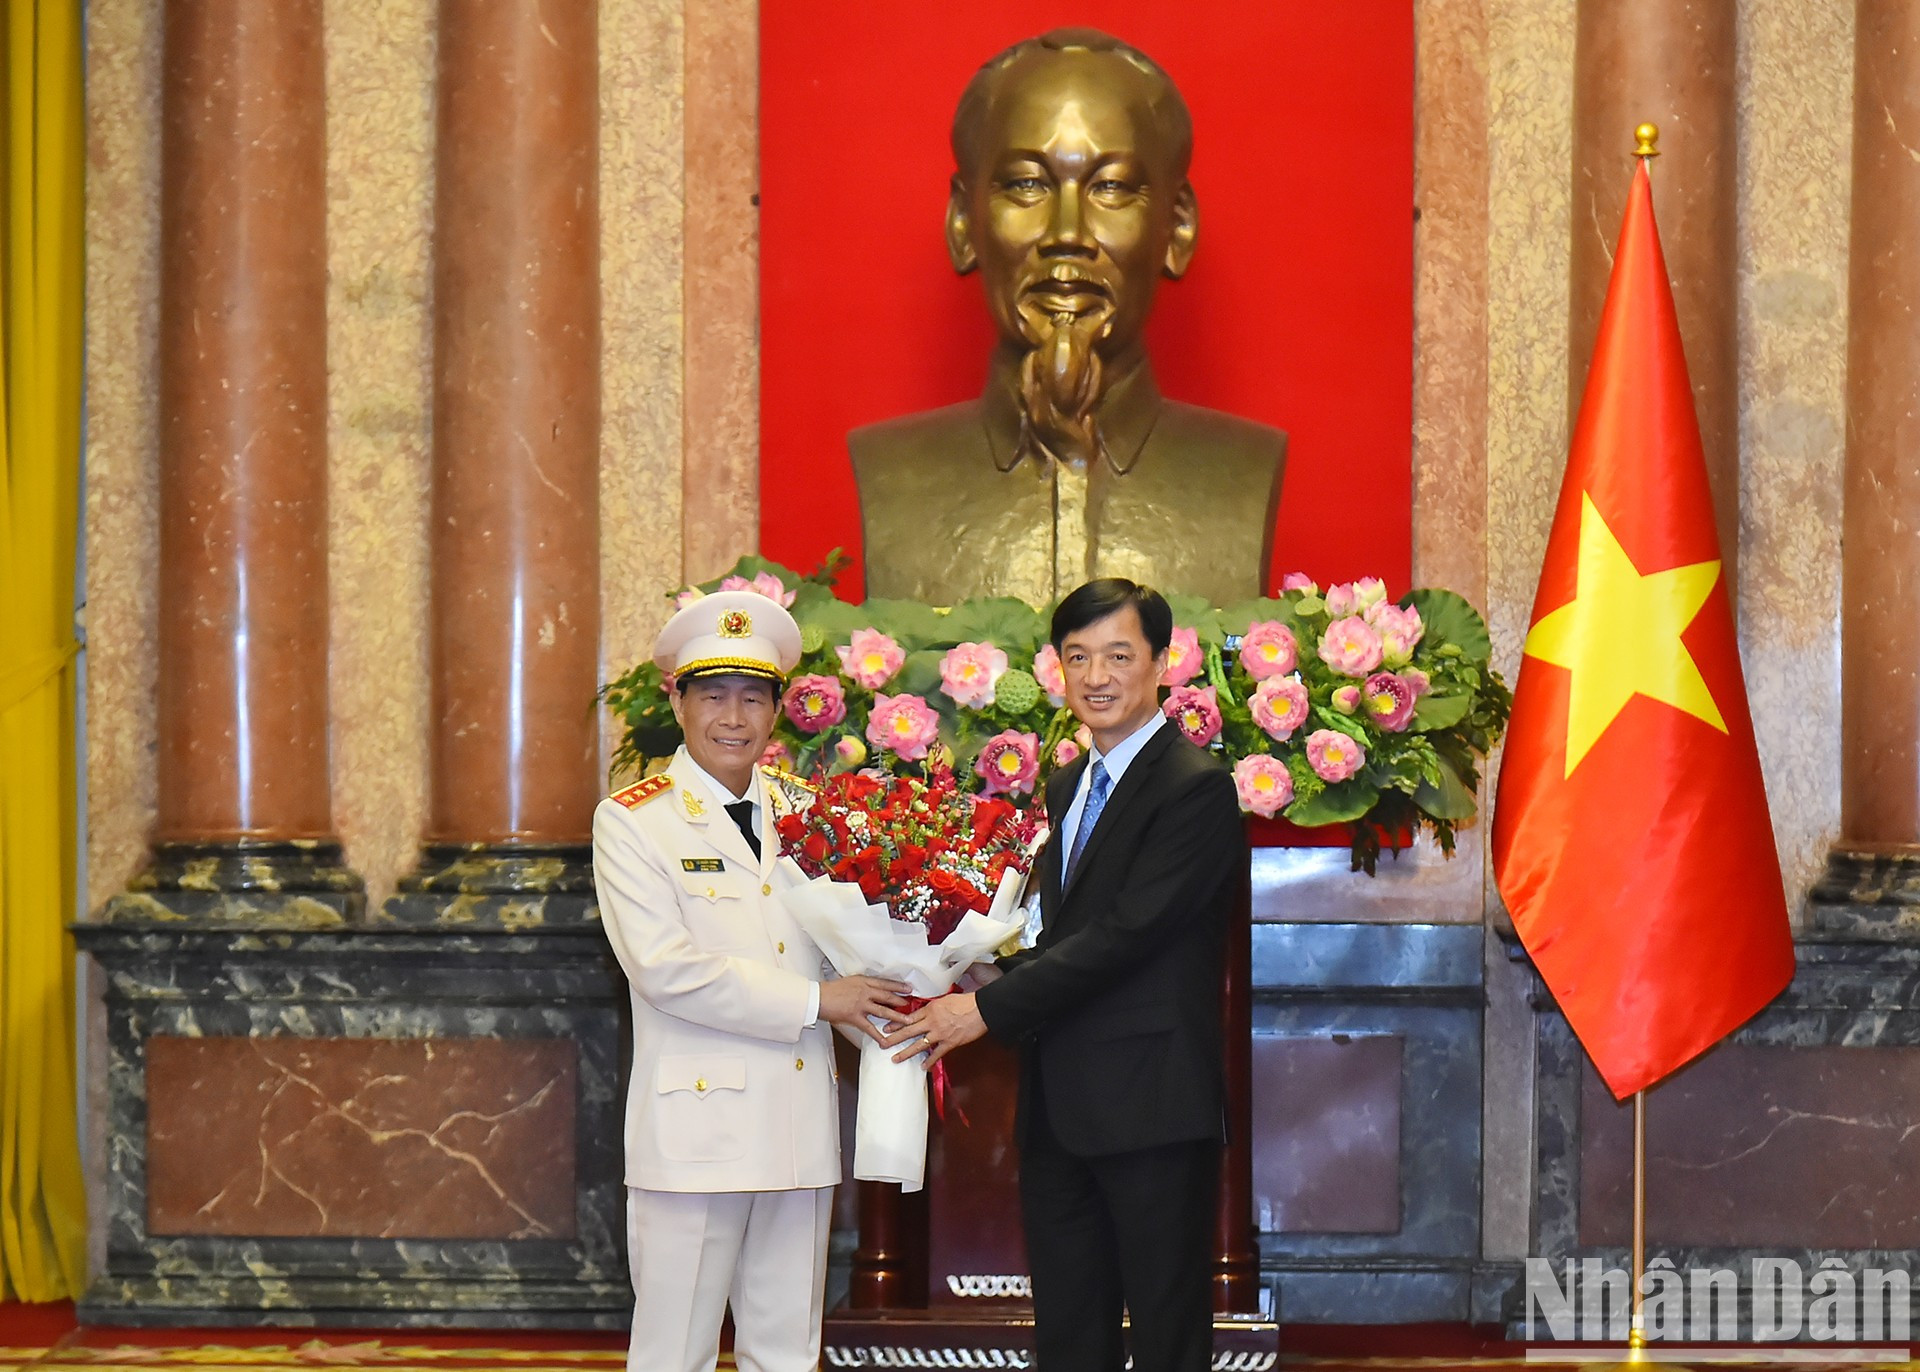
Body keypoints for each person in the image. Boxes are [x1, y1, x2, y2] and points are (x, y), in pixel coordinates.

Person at [885, 578, 1246, 1372]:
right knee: (1070, 1338)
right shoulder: (1067, 784)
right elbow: (1070, 931)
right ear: (1057, 668)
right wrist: (983, 972)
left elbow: (1130, 935)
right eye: (1078, 657)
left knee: (1164, 1337)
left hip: (1152, 1108)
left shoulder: (1196, 788)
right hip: (1061, 1109)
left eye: (1119, 655)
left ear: (1162, 662)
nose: (1097, 676)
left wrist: (987, 1013)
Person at [851, 29, 1284, 607]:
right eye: (1028, 185)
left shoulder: (1244, 471)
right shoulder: (893, 473)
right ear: (963, 223)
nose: (1067, 235)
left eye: (1111, 187)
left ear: (1177, 228)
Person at [592, 589, 909, 1372]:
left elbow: (840, 947)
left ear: (777, 710)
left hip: (797, 1129)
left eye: (753, 697)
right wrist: (817, 1001)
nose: (733, 717)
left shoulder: (809, 812)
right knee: (676, 1354)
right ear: (678, 699)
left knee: (788, 1354)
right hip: (697, 1135)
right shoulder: (635, 820)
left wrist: (916, 985)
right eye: (713, 694)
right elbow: (666, 969)